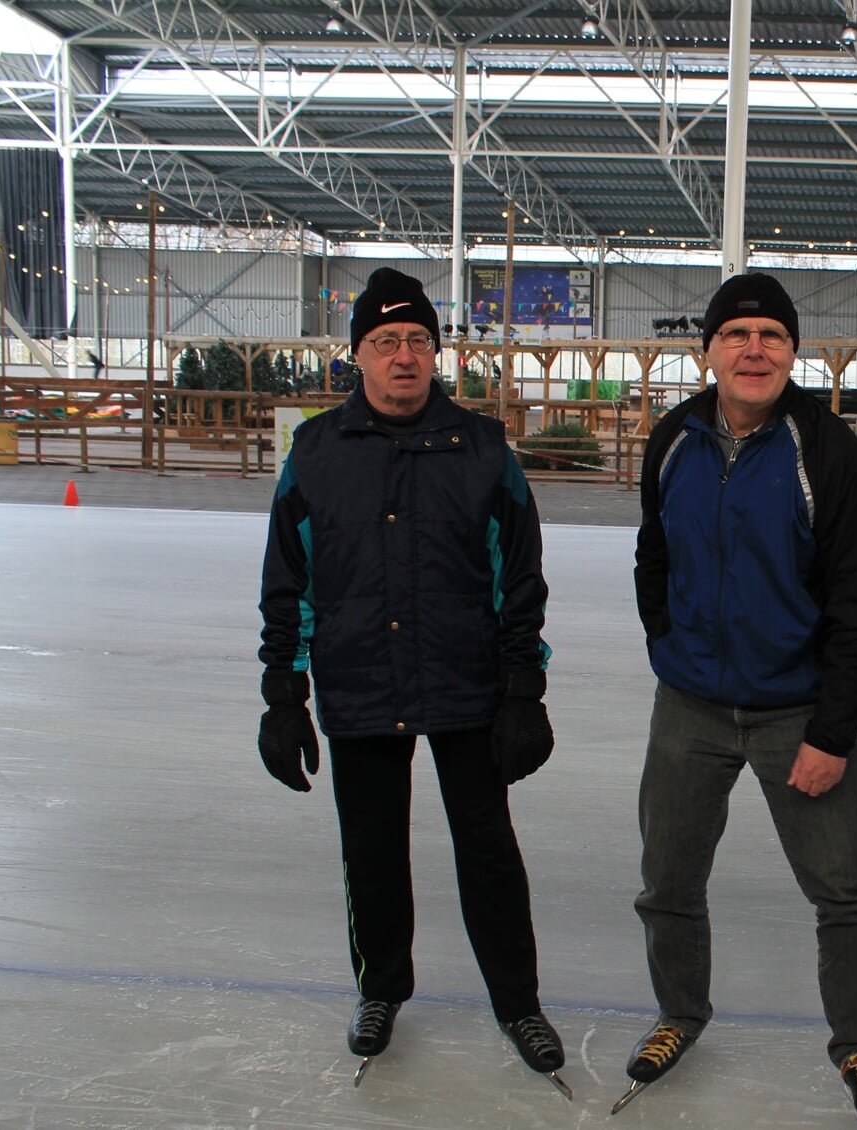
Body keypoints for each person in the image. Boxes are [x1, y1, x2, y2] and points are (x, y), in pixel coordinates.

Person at [256, 267, 568, 1092]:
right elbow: (287, 581)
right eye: (386, 341)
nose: (404, 356)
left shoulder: (484, 450)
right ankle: (381, 991)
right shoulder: (316, 453)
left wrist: (521, 688)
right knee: (372, 852)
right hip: (359, 679)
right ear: (355, 355)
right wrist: (284, 695)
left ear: (437, 353)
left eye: (419, 341)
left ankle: (518, 1001)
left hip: (464, 682)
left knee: (488, 850)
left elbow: (520, 579)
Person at [626, 272, 857, 1129]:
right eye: (737, 334)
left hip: (797, 713)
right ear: (708, 350)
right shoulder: (673, 438)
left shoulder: (828, 454)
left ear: (791, 353)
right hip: (692, 706)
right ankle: (680, 1013)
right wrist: (669, 645)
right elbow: (653, 556)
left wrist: (832, 731)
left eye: (771, 336)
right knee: (668, 879)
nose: (754, 349)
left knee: (843, 891)